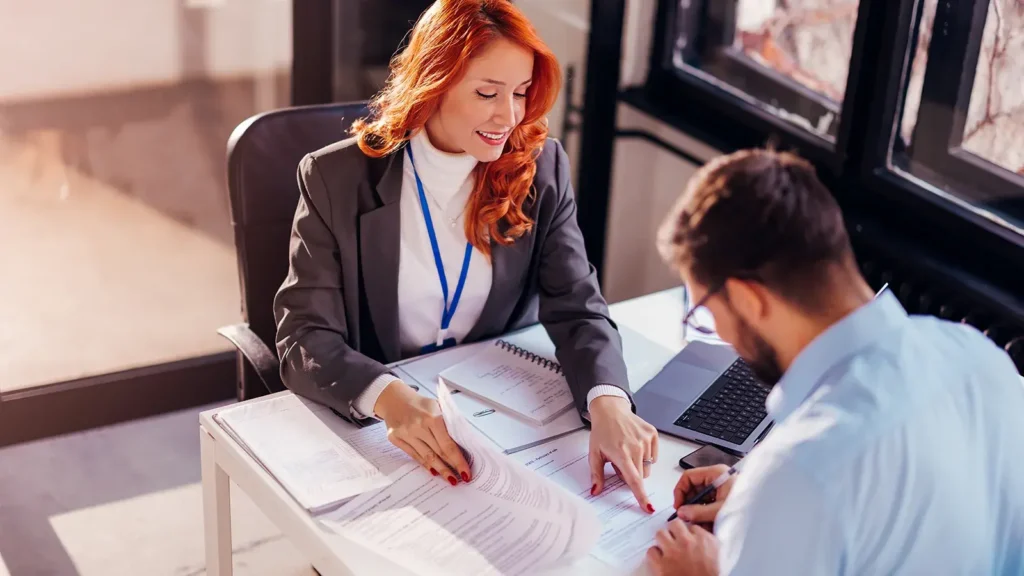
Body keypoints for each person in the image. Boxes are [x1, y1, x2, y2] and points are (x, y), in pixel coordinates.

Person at [273, 0, 659, 510]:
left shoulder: (540, 167)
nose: (510, 116)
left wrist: (608, 401)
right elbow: (304, 336)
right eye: (487, 93)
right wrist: (389, 397)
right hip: (384, 425)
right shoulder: (335, 178)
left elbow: (578, 307)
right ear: (432, 84)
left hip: (499, 425)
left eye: (520, 92)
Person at [646, 148, 1024, 575]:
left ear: (749, 299)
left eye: (706, 312)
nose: (721, 333)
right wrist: (766, 513)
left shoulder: (799, 474)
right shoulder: (980, 358)